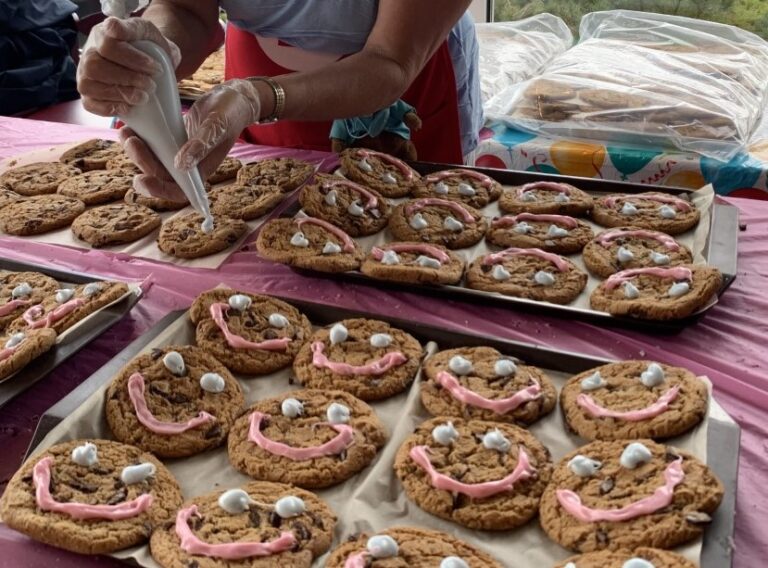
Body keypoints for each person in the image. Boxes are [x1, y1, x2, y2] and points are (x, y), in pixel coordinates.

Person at [76, 1, 482, 202]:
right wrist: (151, 53)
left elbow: (390, 60)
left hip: (400, 79)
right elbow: (187, 11)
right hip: (257, 63)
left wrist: (258, 97)